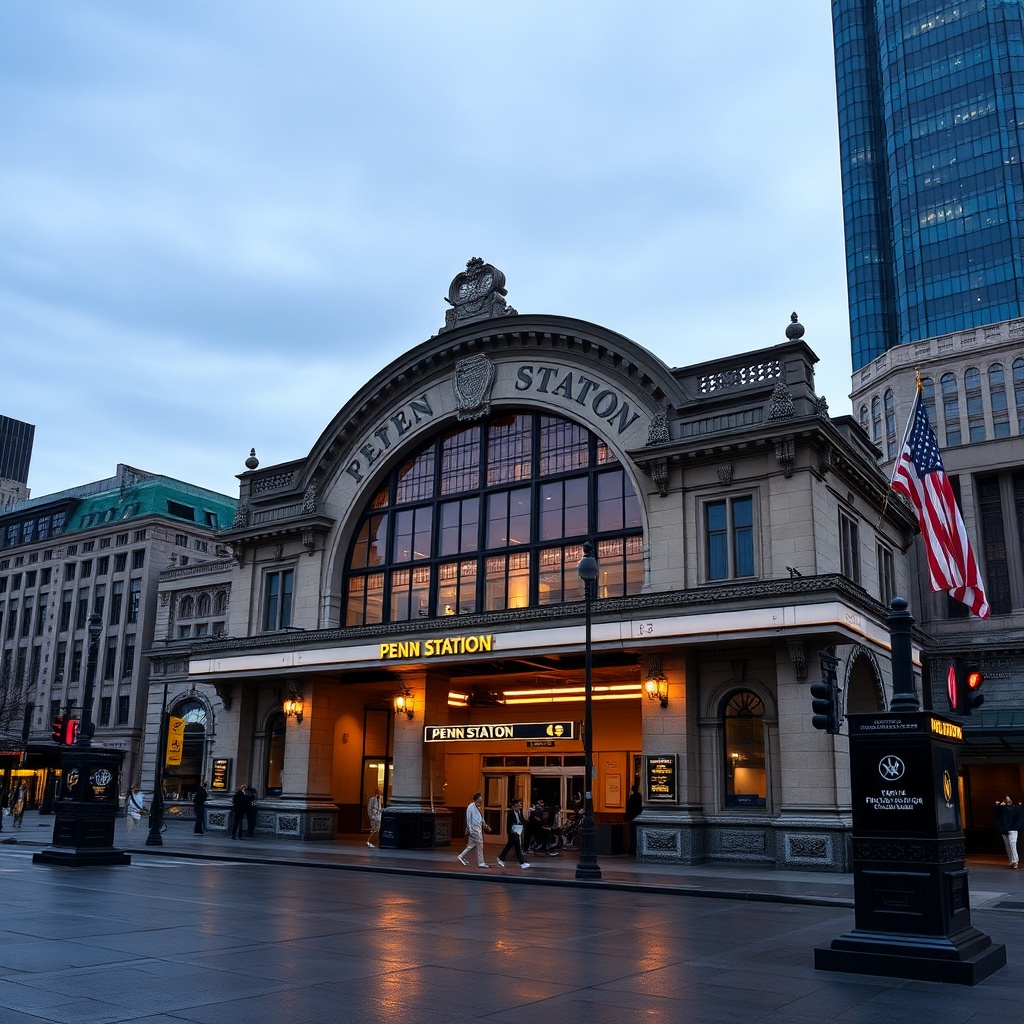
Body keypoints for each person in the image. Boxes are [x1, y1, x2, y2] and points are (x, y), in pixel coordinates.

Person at [457, 792, 492, 868]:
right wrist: (470, 829)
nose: (480, 802)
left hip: (478, 828)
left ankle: (461, 856)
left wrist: (484, 824)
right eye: (479, 801)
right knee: (480, 845)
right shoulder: (470, 807)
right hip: (474, 829)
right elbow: (468, 819)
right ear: (475, 800)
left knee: (471, 845)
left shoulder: (478, 808)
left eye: (481, 801)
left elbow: (480, 818)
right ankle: (481, 862)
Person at [495, 797, 530, 869]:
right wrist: (511, 832)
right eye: (519, 804)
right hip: (513, 830)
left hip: (518, 828)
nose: (520, 805)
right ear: (515, 805)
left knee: (509, 846)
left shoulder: (519, 812)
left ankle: (501, 857)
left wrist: (526, 824)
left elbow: (522, 820)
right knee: (517, 846)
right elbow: (510, 824)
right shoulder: (511, 813)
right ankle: (522, 863)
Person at [994, 795, 1023, 869]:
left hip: (1012, 829)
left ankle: (1015, 861)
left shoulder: (1016, 808)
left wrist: (1015, 827)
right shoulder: (1003, 808)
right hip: (1004, 830)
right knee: (1008, 846)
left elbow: (1020, 819)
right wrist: (1000, 805)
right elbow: (996, 813)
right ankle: (1011, 861)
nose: (1007, 801)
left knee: (1012, 844)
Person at [626, 782, 643, 856]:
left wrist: (628, 817)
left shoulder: (632, 797)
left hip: (633, 817)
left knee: (633, 835)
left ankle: (632, 850)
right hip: (638, 816)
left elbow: (629, 807)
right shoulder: (640, 797)